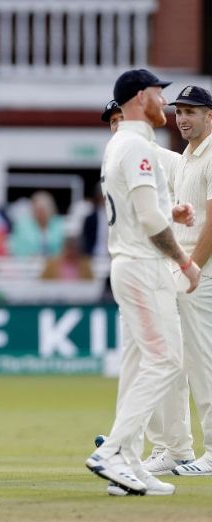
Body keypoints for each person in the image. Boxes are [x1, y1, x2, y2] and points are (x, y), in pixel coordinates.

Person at [85, 69, 201, 496]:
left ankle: (128, 464)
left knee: (138, 365)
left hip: (129, 264)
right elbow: (148, 219)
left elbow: (140, 208)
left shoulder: (122, 144)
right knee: (166, 360)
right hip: (143, 266)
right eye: (158, 93)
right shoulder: (136, 146)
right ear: (138, 98)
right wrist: (185, 261)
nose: (164, 102)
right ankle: (115, 451)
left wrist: (173, 213)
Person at [151, 85, 212, 477]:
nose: (183, 119)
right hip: (185, 269)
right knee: (170, 359)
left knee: (202, 361)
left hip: (201, 272)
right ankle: (175, 449)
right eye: (179, 112)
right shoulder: (188, 156)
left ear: (210, 115)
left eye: (191, 111)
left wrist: (193, 268)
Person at [8, 191, 65, 257]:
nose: (41, 213)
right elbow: (15, 248)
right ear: (33, 209)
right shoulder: (22, 225)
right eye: (39, 210)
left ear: (52, 209)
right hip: (28, 261)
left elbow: (64, 248)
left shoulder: (60, 224)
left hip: (55, 261)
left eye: (44, 209)